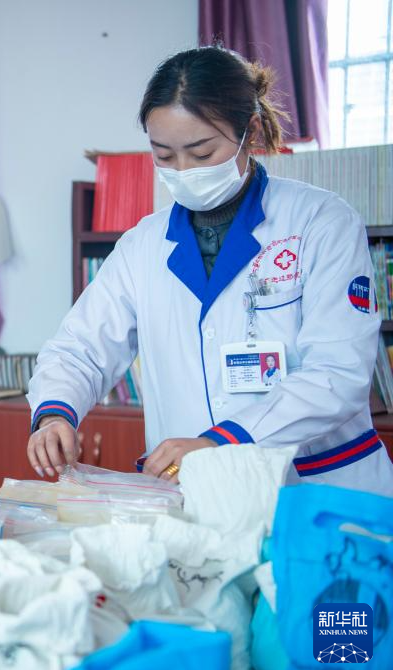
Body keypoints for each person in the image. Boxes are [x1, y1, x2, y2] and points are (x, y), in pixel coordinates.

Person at [27, 46, 393, 495]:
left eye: (201, 153)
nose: (183, 171)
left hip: (314, 488)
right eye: (164, 155)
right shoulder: (143, 245)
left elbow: (337, 373)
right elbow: (80, 348)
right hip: (195, 494)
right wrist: (55, 413)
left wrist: (223, 441)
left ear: (249, 131)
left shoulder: (320, 222)